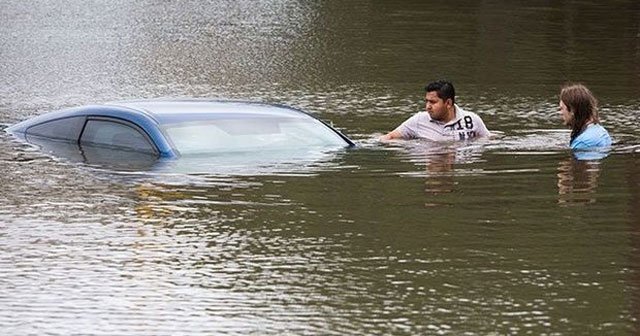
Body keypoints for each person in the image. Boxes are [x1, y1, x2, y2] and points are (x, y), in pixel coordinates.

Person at [380, 80, 491, 141]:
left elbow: (487, 139)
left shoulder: (471, 119)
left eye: (433, 102)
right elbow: (390, 136)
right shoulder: (419, 120)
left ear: (448, 103)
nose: (427, 106)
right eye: (426, 101)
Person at [559, 83, 612, 150]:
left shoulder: (582, 143)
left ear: (572, 110)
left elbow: (582, 160)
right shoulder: (600, 130)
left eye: (562, 108)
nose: (560, 113)